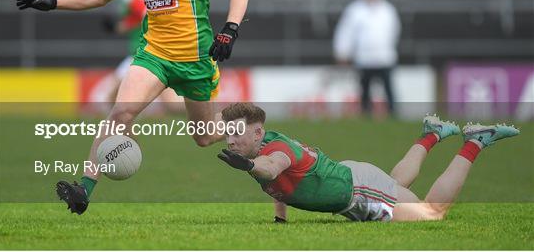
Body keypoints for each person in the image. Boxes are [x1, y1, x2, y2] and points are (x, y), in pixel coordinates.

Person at [15, 0, 250, 214]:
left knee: (205, 137)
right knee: (120, 113)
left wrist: (230, 30)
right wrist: (54, 2)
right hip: (154, 55)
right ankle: (83, 188)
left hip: (195, 60)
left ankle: (239, 123)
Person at [217, 103, 519, 222]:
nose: (229, 140)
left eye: (235, 133)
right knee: (397, 185)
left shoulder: (273, 153)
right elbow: (277, 182)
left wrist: (249, 168)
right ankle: (432, 134)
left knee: (431, 213)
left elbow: (272, 169)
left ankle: (476, 141)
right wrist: (280, 219)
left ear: (257, 132)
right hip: (354, 178)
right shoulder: (257, 147)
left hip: (359, 191)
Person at [333, 0, 401, 115]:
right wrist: (342, 52)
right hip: (364, 58)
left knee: (388, 87)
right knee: (365, 88)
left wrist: (389, 48)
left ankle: (392, 111)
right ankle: (366, 112)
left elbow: (394, 31)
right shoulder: (355, 10)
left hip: (384, 57)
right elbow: (346, 32)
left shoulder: (387, 10)